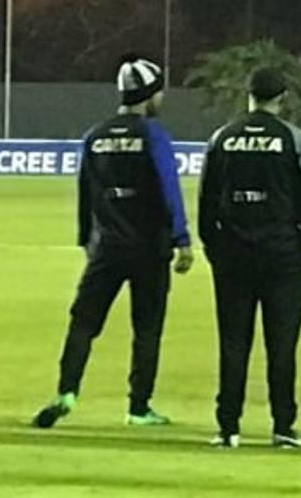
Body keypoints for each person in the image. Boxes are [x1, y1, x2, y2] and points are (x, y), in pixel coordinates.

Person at [33, 56, 193, 430]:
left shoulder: (96, 135)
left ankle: (66, 392)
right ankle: (139, 408)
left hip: (106, 247)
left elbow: (85, 194)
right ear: (149, 95)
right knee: (147, 326)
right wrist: (182, 238)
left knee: (83, 321)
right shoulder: (153, 135)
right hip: (150, 247)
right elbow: (170, 188)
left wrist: (86, 242)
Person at [197, 66, 301, 448]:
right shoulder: (293, 139)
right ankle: (283, 425)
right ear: (282, 98)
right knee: (281, 344)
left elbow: (206, 199)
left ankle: (228, 427)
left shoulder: (223, 137)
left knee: (233, 342)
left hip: (233, 255)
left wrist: (213, 246)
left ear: (247, 95)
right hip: (283, 256)